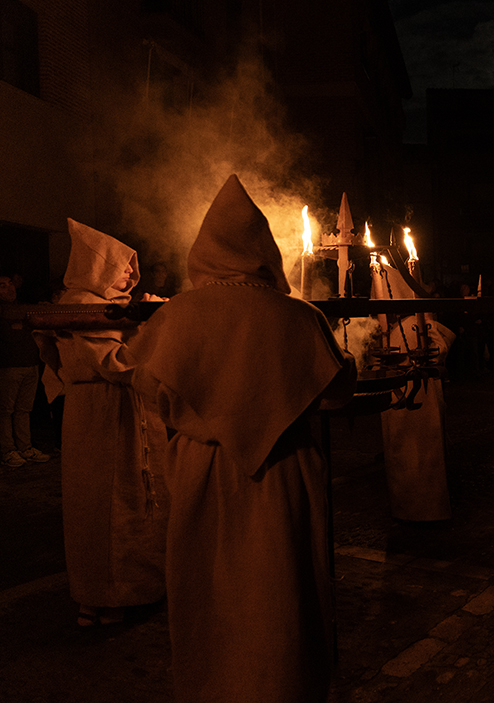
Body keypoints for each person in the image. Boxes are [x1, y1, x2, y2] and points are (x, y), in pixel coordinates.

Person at [130, 174, 357, 703]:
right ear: (266, 251)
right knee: (283, 588)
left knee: (208, 589)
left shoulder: (176, 316)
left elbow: (148, 388)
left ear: (202, 252)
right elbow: (339, 392)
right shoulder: (300, 316)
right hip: (285, 473)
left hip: (201, 475)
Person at [34, 220, 168, 626]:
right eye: (122, 265)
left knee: (116, 500)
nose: (130, 272)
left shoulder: (103, 304)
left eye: (131, 265)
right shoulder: (81, 304)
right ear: (98, 266)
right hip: (106, 411)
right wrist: (155, 324)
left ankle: (113, 595)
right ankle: (110, 596)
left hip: (108, 409)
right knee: (109, 504)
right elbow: (117, 364)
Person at [379, 264, 457, 521]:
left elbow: (439, 350)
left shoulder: (418, 323)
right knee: (402, 451)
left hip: (423, 396)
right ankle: (406, 506)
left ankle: (428, 508)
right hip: (397, 397)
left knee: (425, 452)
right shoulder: (387, 331)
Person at [1, 271, 49, 467]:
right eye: (2, 285)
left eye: (10, 283)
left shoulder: (23, 309)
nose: (9, 287)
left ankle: (24, 447)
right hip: (8, 367)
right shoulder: (3, 312)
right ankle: (7, 450)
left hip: (30, 364)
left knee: (23, 409)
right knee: (5, 410)